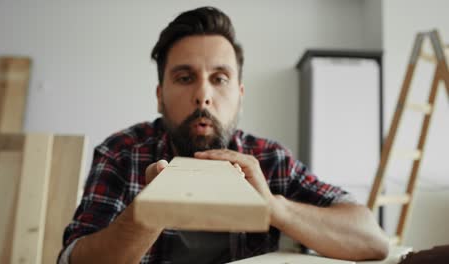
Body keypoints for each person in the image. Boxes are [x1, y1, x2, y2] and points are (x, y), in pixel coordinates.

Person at [58, 6, 389, 264]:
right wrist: (147, 214)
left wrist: (273, 208)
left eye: (219, 79)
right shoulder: (122, 153)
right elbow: (71, 260)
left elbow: (372, 240)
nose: (203, 95)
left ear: (240, 94)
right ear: (160, 95)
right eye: (185, 78)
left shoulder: (271, 161)